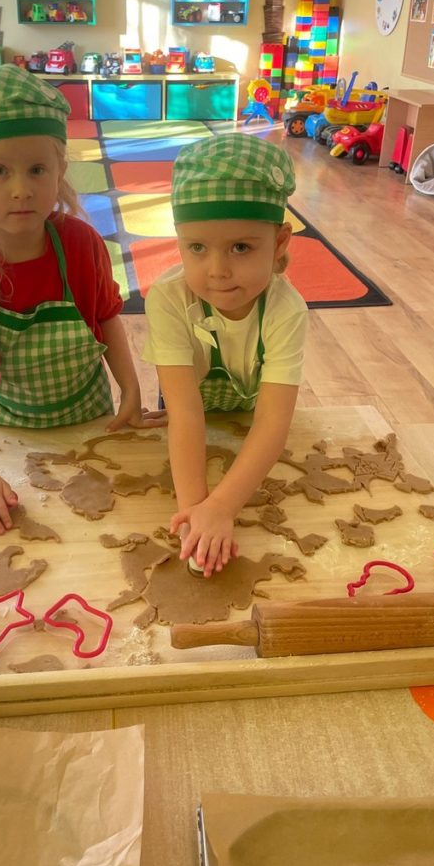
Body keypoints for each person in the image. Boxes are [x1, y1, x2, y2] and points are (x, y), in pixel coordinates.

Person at [0, 64, 160, 534]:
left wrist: (131, 390)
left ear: (60, 170)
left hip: (89, 418)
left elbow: (106, 317)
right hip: (10, 433)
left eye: (37, 169)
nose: (21, 189)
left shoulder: (80, 244)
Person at [142, 135, 308, 577]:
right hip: (187, 421)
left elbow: (272, 422)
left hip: (249, 422)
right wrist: (195, 513)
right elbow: (185, 412)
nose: (217, 271)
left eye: (240, 247)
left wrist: (222, 506)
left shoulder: (286, 311)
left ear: (279, 242)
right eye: (197, 247)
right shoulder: (168, 299)